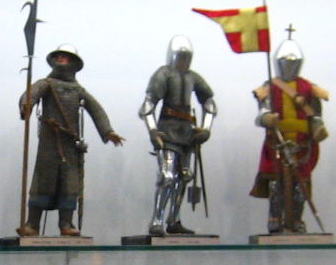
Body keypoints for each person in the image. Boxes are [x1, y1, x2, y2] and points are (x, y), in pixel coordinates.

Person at [17, 44, 123, 237]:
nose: (61, 59)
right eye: (58, 56)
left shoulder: (78, 90)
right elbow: (30, 95)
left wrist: (107, 131)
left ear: (73, 62)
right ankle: (32, 224)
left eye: (65, 57)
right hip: (49, 143)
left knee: (69, 184)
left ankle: (66, 223)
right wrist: (27, 104)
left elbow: (96, 110)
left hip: (70, 145)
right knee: (42, 182)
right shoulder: (46, 84)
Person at [250, 33, 330, 234]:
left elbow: (315, 115)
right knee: (276, 185)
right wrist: (267, 118)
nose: (289, 66)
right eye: (286, 62)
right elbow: (261, 114)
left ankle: (296, 221)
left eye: (293, 62)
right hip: (277, 144)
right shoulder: (269, 87)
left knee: (300, 187)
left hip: (302, 147)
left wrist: (318, 128)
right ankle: (275, 219)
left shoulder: (309, 89)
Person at [139, 35, 216, 236]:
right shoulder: (163, 74)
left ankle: (174, 220)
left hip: (187, 133)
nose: (182, 60)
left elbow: (209, 103)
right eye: (180, 56)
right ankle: (157, 221)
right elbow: (148, 105)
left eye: (185, 57)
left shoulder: (193, 77)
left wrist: (206, 128)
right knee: (167, 176)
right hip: (167, 132)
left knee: (185, 176)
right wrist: (153, 130)